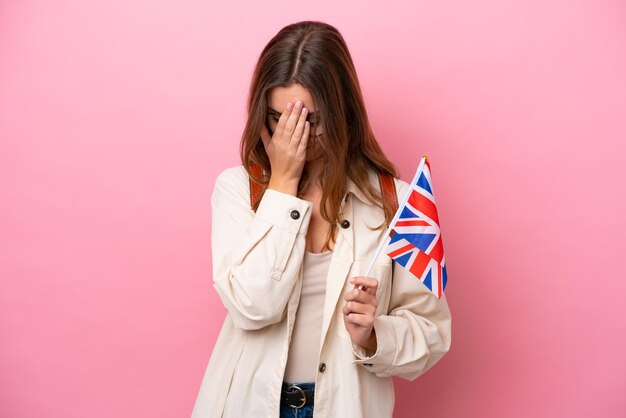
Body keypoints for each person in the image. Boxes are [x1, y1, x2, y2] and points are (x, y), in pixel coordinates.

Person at [191, 20, 451, 418]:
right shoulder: (238, 190)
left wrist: (374, 334)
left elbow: (431, 333)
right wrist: (281, 186)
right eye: (282, 118)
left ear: (341, 109)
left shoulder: (393, 202)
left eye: (311, 119)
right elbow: (251, 307)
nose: (297, 134)